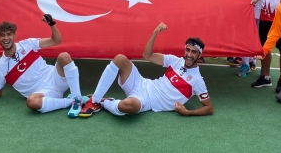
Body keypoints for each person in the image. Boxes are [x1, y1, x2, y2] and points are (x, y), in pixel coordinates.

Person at [79, 22, 213, 118]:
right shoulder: (175, 60)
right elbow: (147, 56)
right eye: (188, 50)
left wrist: (187, 112)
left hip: (148, 101)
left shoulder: (197, 81)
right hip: (142, 83)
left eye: (194, 52)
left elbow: (209, 108)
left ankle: (104, 102)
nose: (189, 54)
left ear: (199, 55)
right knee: (120, 59)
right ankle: (95, 100)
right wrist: (155, 33)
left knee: (127, 106)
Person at [0, 18, 86, 118]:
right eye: (2, 35)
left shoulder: (27, 44)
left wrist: (52, 24)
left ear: (14, 36)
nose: (6, 38)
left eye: (9, 34)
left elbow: (56, 40)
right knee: (32, 102)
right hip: (44, 93)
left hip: (56, 77)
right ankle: (71, 102)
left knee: (64, 56)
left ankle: (77, 98)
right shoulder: (1, 66)